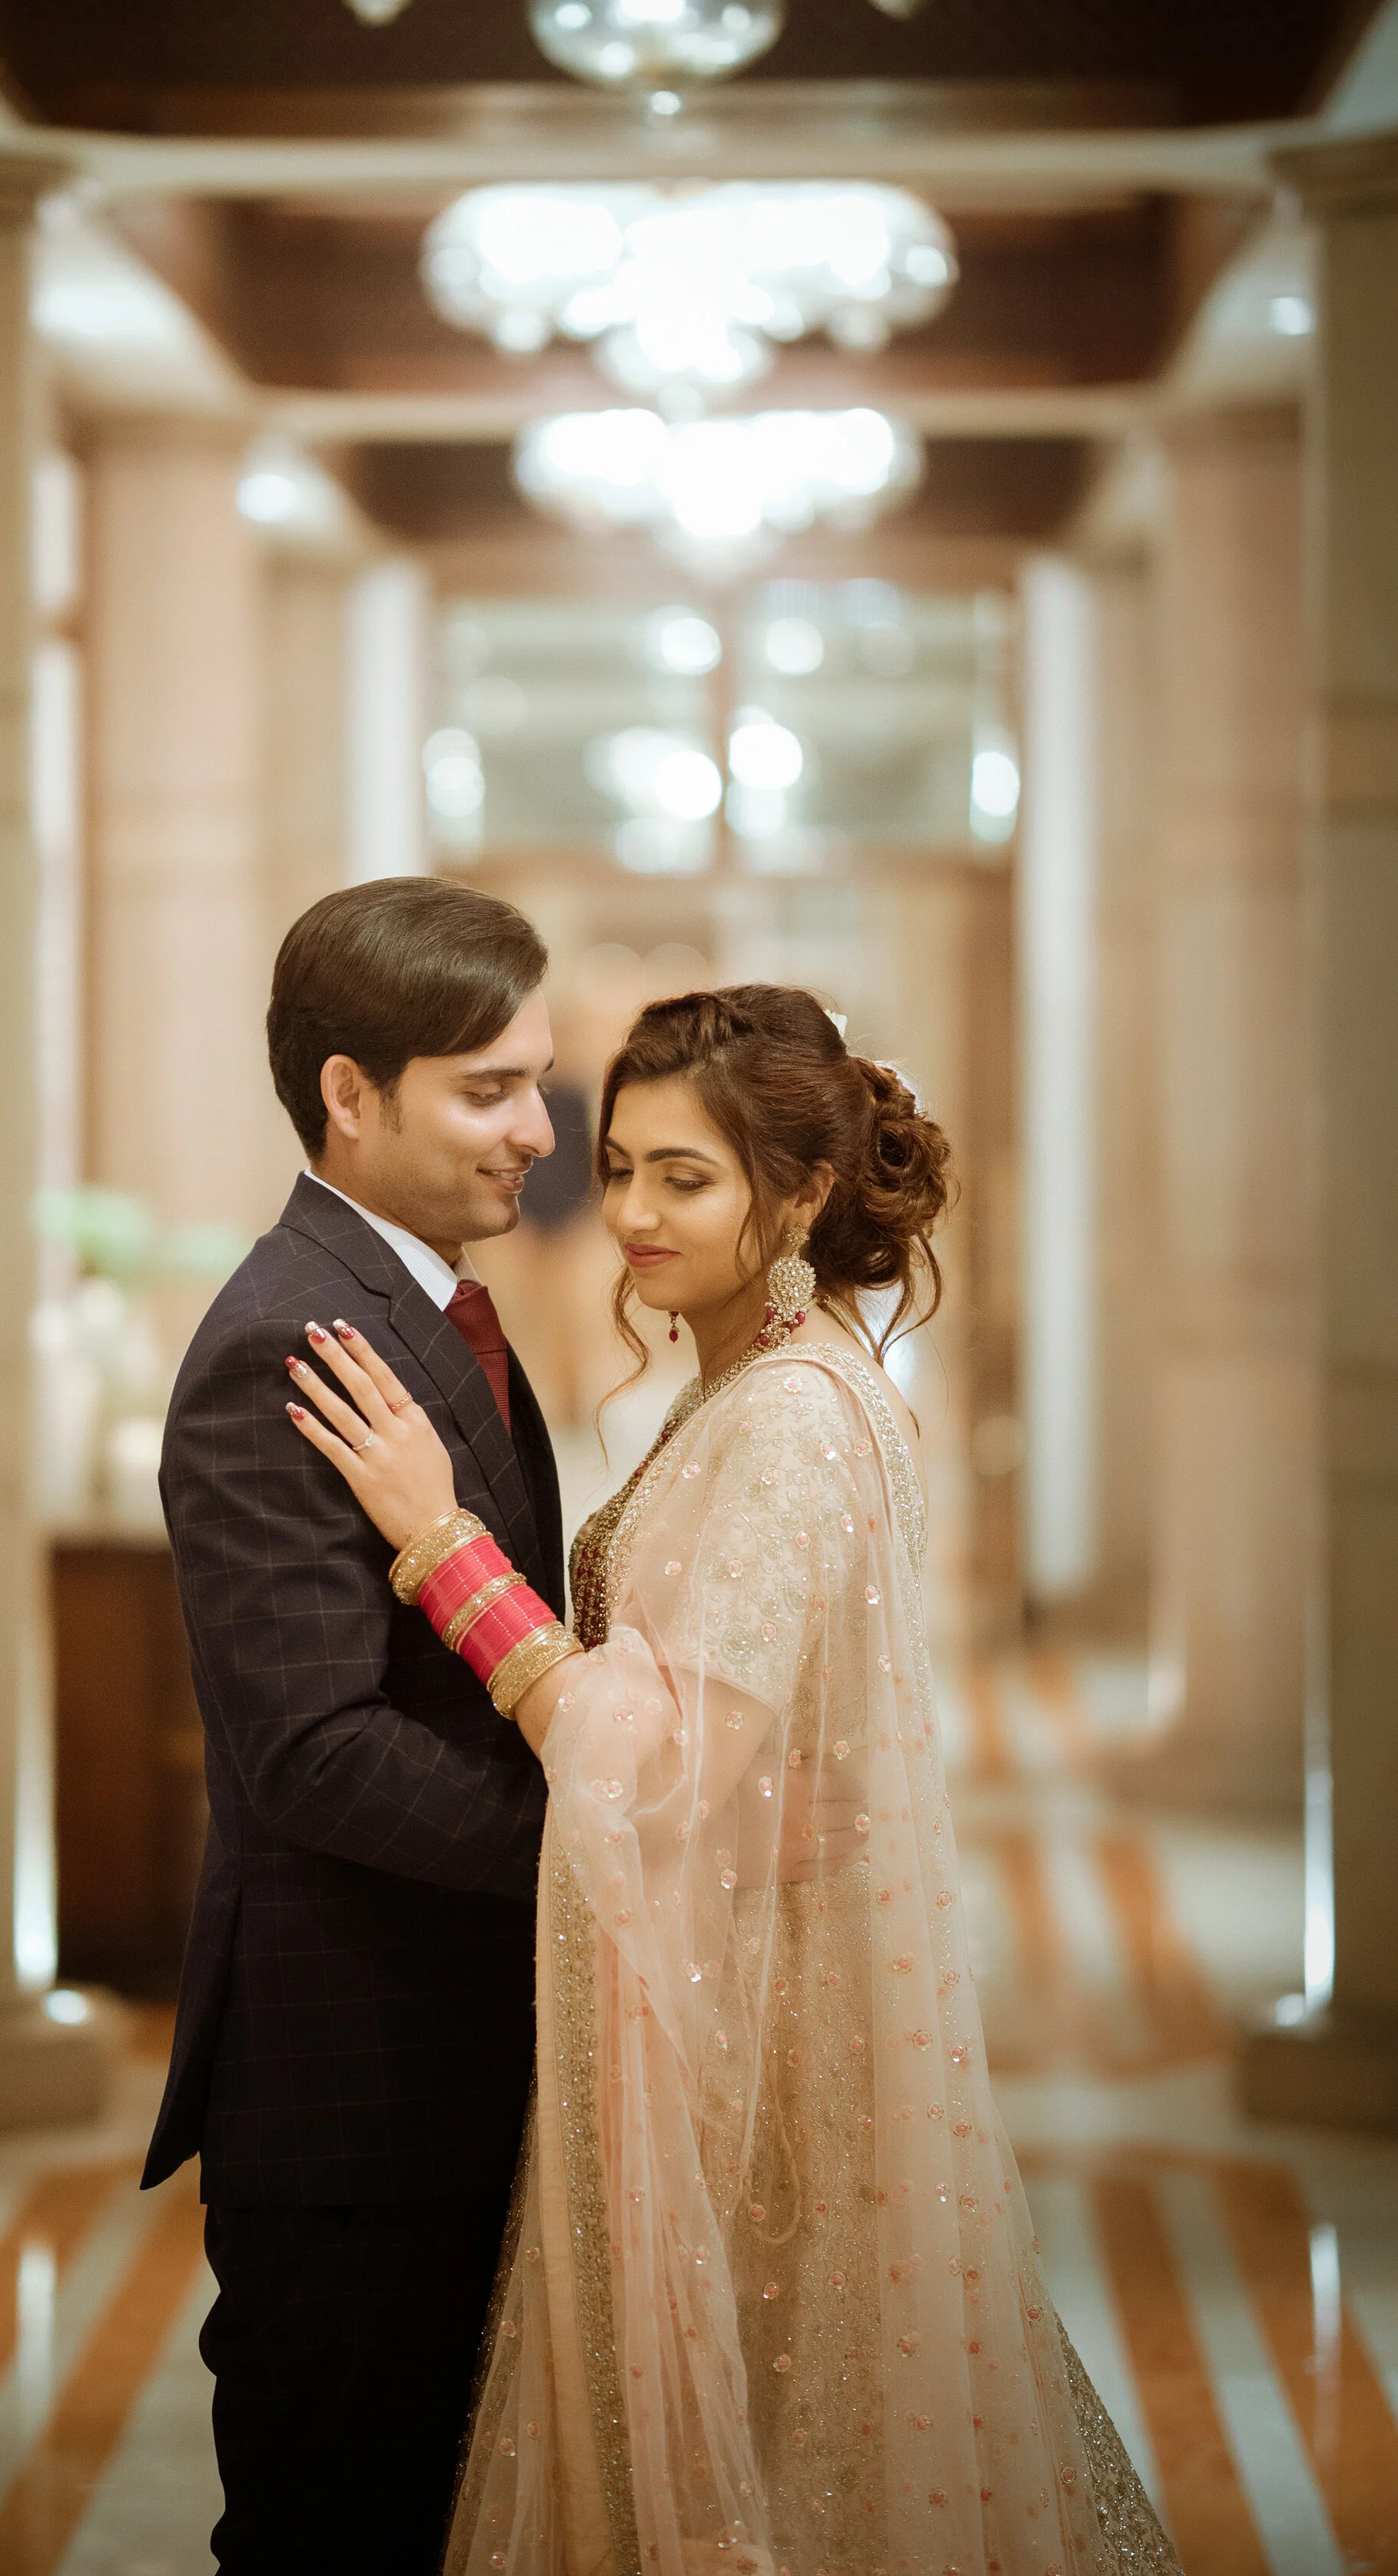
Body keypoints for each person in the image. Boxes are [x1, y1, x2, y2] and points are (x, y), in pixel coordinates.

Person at [286, 984, 1181, 2576]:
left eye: (680, 1179)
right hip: (743, 1977)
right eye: (617, 1165)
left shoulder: (786, 1417)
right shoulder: (761, 1378)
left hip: (760, 2034)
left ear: (804, 1191)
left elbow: (648, 1762)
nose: (626, 1212)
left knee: (763, 2464)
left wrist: (438, 1544)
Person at [144, 876, 566, 2576]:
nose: (539, 1130)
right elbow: (312, 1753)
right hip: (354, 2093)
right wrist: (600, 1844)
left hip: (451, 2060)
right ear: (347, 1091)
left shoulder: (423, 1298)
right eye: (487, 1088)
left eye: (534, 1078)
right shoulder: (283, 1342)